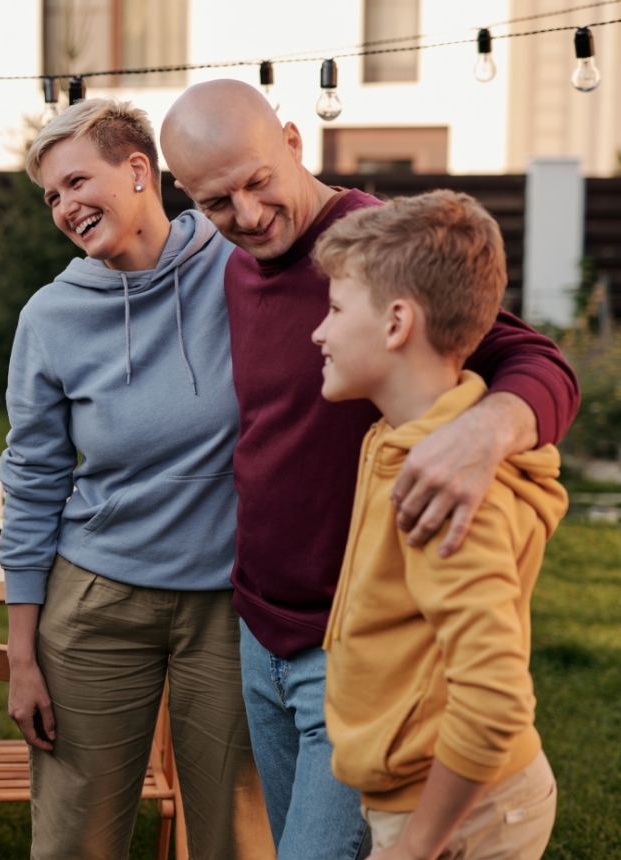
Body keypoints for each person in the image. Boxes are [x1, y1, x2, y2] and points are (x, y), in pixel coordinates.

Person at [159, 80, 578, 860]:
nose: (246, 216)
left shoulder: (372, 250)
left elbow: (535, 359)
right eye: (218, 202)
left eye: (257, 183)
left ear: (291, 138)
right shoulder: (235, 261)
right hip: (262, 630)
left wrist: (484, 430)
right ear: (186, 195)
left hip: (357, 653)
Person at [0, 97, 267, 860]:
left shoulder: (239, 264)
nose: (65, 206)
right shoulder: (50, 318)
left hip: (231, 599)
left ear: (140, 169)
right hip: (96, 600)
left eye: (78, 181)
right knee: (73, 838)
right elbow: (35, 481)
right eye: (52, 195)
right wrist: (22, 658)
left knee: (238, 834)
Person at [311, 191, 565, 859]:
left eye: (335, 310)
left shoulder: (438, 487)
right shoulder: (408, 442)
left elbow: (495, 701)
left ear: (397, 323)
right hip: (439, 799)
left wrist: (416, 847)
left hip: (462, 817)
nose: (320, 332)